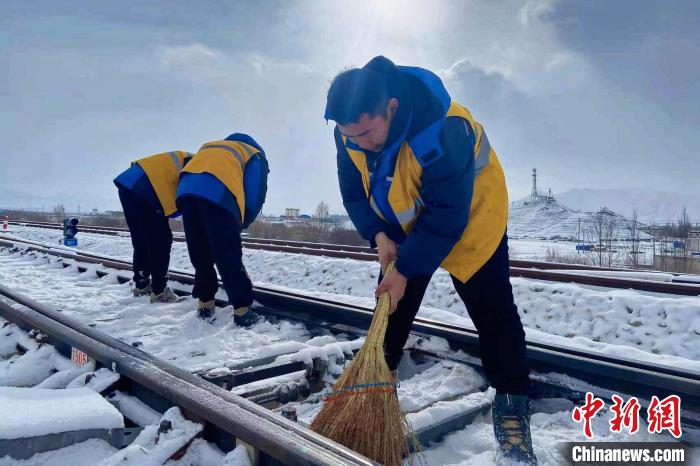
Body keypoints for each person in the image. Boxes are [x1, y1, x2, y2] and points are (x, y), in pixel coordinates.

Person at [324, 56, 537, 465]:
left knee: (494, 314)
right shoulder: (349, 135)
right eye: (351, 136)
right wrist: (379, 234)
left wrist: (406, 269)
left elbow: (447, 217)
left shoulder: (445, 129)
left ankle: (512, 405)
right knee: (391, 308)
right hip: (401, 221)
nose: (360, 142)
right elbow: (353, 192)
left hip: (470, 218)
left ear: (391, 106)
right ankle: (369, 392)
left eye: (367, 133)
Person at [176, 133, 269, 326]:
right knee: (227, 253)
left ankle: (205, 304)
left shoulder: (210, 146)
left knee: (200, 252)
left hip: (186, 193)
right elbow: (255, 193)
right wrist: (241, 222)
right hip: (218, 194)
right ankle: (243, 311)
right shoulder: (253, 154)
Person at [114, 151, 193, 302]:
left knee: (141, 239)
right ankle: (159, 291)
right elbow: (187, 195)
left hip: (128, 184)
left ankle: (142, 286)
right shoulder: (195, 165)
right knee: (161, 239)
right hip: (145, 188)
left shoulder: (187, 157)